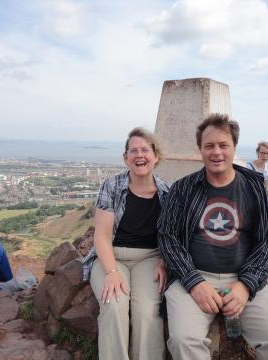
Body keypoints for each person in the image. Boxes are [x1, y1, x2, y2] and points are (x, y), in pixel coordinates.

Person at [158, 114, 268, 360]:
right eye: (209, 146)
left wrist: (245, 286)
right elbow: (168, 237)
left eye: (223, 145)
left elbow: (266, 241)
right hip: (195, 276)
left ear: (234, 148)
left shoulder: (254, 188)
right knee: (182, 341)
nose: (216, 152)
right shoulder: (182, 189)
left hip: (244, 277)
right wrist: (193, 281)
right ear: (200, 149)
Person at [82, 128, 169, 360]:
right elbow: (101, 236)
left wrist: (164, 260)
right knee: (114, 304)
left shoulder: (167, 193)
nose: (139, 155)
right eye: (133, 151)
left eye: (145, 150)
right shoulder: (112, 186)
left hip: (149, 258)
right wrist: (111, 271)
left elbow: (171, 236)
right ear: (125, 157)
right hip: (112, 256)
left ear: (155, 156)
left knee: (148, 311)